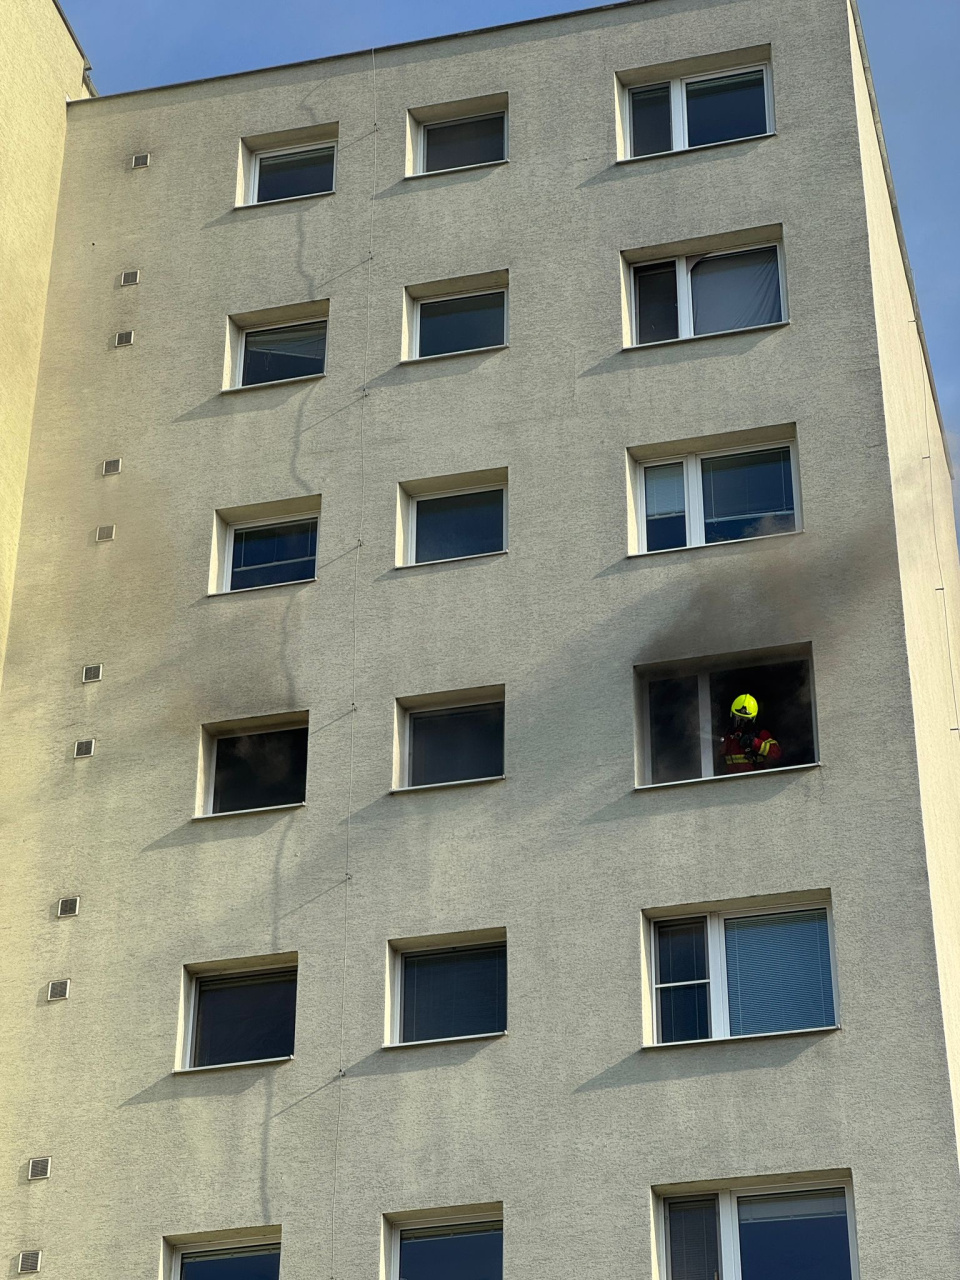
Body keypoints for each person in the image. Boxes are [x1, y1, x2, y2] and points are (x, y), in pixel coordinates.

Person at [721, 694, 782, 773]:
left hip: (756, 779)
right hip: (732, 779)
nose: (741, 723)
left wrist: (754, 743)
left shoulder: (761, 734)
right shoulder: (728, 735)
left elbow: (777, 753)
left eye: (746, 719)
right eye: (738, 718)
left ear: (753, 719)